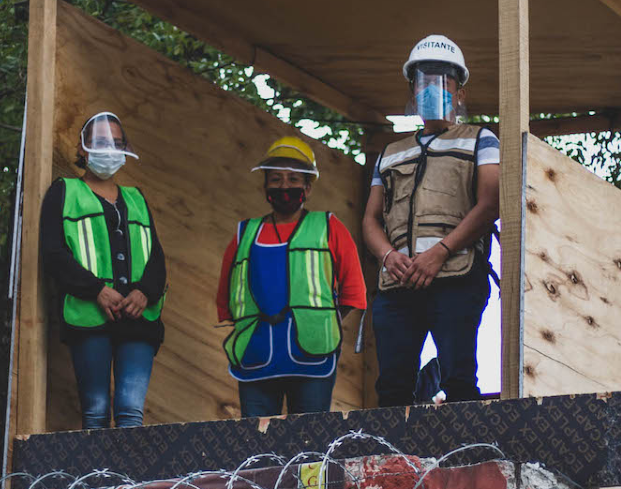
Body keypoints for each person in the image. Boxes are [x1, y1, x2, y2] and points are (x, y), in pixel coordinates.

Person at [362, 35, 501, 407]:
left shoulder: (481, 140)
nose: (433, 87)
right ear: (413, 88)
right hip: (398, 284)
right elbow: (371, 220)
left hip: (456, 277)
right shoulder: (390, 152)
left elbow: (491, 203)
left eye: (444, 80)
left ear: (460, 92)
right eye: (424, 79)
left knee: (459, 381)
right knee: (392, 388)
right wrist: (389, 257)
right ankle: (395, 464)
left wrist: (440, 252)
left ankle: (466, 459)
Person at [215, 136, 366, 417]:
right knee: (257, 443)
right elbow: (226, 297)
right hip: (256, 355)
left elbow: (353, 292)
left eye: (294, 180)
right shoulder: (245, 234)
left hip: (313, 356)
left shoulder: (329, 227)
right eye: (276, 180)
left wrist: (318, 323)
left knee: (310, 441)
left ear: (307, 188)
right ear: (265, 187)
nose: (285, 186)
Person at [40, 111, 166, 429]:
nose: (108, 147)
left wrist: (144, 292)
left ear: (126, 148)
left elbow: (156, 257)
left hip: (138, 320)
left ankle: (130, 481)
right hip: (90, 319)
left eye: (116, 141)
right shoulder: (64, 192)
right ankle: (98, 481)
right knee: (95, 411)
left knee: (130, 412)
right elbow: (54, 253)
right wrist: (95, 289)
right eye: (99, 140)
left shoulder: (136, 198)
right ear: (82, 148)